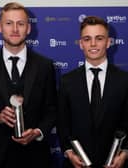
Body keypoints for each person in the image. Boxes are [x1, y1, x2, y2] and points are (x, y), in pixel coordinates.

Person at [0, 2, 57, 168]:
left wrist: (37, 132)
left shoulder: (45, 66)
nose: (15, 29)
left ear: (28, 28)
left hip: (36, 158)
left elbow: (52, 110)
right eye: (9, 23)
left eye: (20, 24)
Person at [57, 16, 128, 168]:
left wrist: (125, 153)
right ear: (81, 44)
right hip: (77, 164)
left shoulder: (124, 80)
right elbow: (63, 124)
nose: (93, 44)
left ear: (108, 42)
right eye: (87, 39)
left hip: (115, 164)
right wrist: (69, 152)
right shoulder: (67, 81)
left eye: (99, 38)